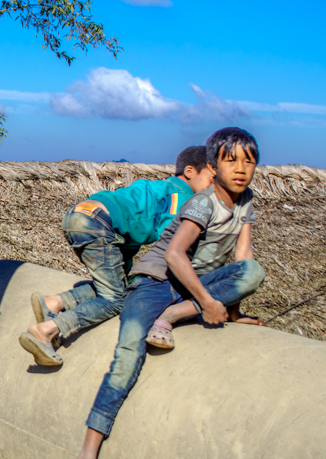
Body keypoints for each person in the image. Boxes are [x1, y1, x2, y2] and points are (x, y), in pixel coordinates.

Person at [76, 127, 266, 459]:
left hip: (193, 288)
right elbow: (174, 255)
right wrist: (206, 302)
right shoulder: (203, 202)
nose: (240, 169)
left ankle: (173, 316)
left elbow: (242, 256)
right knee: (127, 355)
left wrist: (234, 312)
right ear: (212, 165)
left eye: (248, 162)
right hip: (156, 282)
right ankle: (89, 449)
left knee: (253, 271)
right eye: (231, 161)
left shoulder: (246, 201)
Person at [19, 146, 214, 366]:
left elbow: (129, 226)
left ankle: (54, 302)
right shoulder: (184, 197)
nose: (213, 188)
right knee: (116, 300)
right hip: (98, 223)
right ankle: (47, 330)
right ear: (189, 171)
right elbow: (173, 245)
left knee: (119, 285)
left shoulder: (156, 187)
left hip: (81, 214)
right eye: (212, 179)